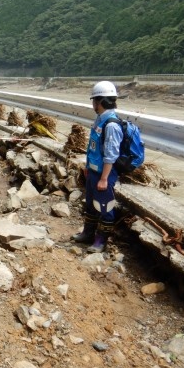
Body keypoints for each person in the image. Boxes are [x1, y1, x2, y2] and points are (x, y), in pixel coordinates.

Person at [71, 81, 123, 253]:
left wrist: (104, 178)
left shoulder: (112, 125)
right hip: (93, 170)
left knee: (105, 207)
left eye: (94, 100)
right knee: (91, 205)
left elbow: (111, 155)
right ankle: (88, 233)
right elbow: (93, 147)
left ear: (99, 101)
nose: (92, 104)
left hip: (104, 174)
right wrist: (88, 166)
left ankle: (100, 241)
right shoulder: (100, 120)